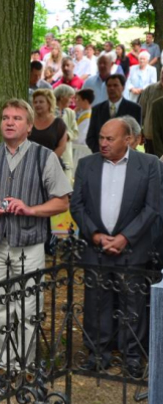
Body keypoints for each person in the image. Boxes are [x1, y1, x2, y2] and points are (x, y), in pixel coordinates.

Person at [0, 99, 72, 371]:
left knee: (28, 306)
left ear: (28, 126)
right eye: (5, 118)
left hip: (30, 243)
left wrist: (30, 209)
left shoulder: (44, 157)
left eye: (16, 118)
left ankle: (25, 364)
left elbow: (62, 201)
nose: (10, 122)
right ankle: (5, 364)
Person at [70, 118, 161, 378]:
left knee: (132, 303)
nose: (103, 143)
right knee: (96, 302)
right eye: (101, 137)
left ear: (128, 140)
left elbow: (152, 207)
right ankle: (98, 354)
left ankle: (132, 357)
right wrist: (96, 235)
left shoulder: (149, 165)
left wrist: (125, 237)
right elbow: (77, 205)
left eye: (110, 139)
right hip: (96, 247)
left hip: (131, 249)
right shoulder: (87, 164)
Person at [86, 74, 141, 153]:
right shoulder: (96, 109)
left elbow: (136, 136)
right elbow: (90, 137)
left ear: (123, 87)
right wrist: (103, 152)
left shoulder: (134, 109)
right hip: (101, 156)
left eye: (115, 85)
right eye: (109, 86)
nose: (112, 88)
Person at [29, 89, 69, 169]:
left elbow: (62, 146)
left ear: (49, 103)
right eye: (35, 102)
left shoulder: (58, 123)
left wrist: (47, 162)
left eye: (41, 102)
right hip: (30, 165)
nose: (37, 104)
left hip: (51, 166)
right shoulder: (28, 121)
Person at [54, 84, 79, 173]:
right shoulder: (49, 111)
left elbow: (75, 132)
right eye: (70, 97)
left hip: (66, 152)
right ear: (62, 97)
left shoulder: (70, 113)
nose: (72, 101)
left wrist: (66, 136)